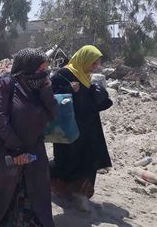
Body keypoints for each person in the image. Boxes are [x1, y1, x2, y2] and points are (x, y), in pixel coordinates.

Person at [0, 48, 58, 227]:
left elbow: (54, 114)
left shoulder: (41, 87)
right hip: (8, 151)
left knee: (36, 195)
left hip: (34, 151)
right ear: (28, 67)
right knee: (2, 196)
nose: (45, 73)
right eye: (41, 70)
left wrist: (47, 92)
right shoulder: (9, 84)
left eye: (46, 70)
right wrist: (17, 149)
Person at [49, 45, 113, 211]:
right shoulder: (64, 74)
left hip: (89, 127)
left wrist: (99, 94)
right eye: (93, 63)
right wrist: (69, 89)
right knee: (68, 160)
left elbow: (89, 101)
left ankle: (80, 194)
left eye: (97, 64)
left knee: (89, 159)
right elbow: (52, 96)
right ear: (83, 59)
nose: (95, 67)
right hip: (69, 127)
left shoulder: (86, 76)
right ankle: (60, 188)